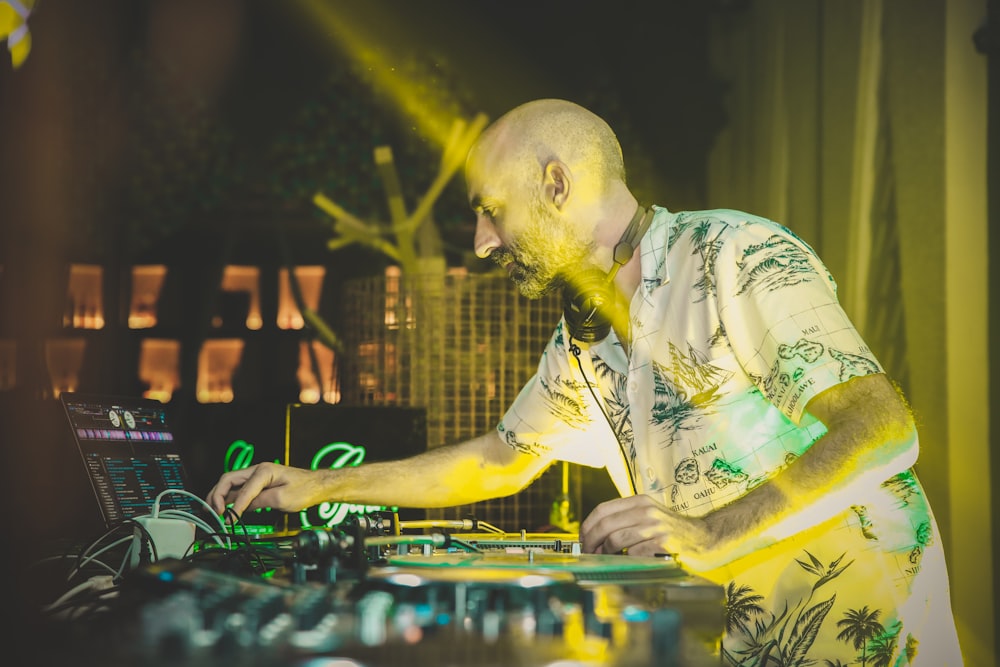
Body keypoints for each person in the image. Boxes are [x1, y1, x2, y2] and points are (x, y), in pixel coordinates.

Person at [208, 99, 963, 664]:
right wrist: (320, 486)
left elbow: (883, 428)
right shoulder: (584, 338)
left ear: (557, 182)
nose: (480, 243)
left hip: (867, 634)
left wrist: (706, 532)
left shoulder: (735, 253)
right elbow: (501, 457)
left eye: (491, 212)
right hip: (742, 638)